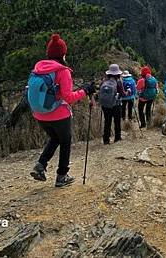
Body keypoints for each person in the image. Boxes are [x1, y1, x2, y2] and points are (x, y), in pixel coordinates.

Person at [29, 34, 95, 187]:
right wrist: (85, 91)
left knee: (55, 138)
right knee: (65, 141)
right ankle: (62, 176)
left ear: (48, 53)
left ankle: (40, 165)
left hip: (40, 114)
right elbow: (68, 97)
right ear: (63, 53)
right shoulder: (62, 71)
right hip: (59, 114)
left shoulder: (38, 69)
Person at [99, 64, 130, 144]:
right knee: (117, 121)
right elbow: (123, 94)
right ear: (118, 73)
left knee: (107, 121)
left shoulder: (103, 81)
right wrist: (128, 92)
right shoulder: (118, 82)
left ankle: (106, 140)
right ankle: (117, 137)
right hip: (116, 105)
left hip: (105, 105)